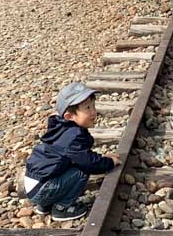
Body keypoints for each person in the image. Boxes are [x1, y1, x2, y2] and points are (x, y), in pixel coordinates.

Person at [22, 81, 116, 221]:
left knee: (71, 164)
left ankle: (44, 206)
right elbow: (88, 162)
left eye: (93, 106)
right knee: (81, 170)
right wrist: (109, 162)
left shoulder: (61, 129)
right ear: (69, 116)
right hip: (42, 188)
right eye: (88, 108)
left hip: (35, 185)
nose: (93, 112)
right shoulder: (74, 137)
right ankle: (62, 208)